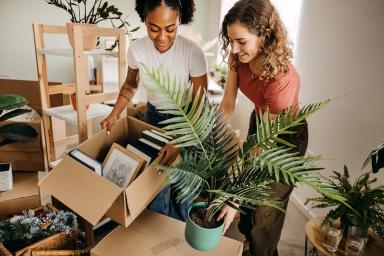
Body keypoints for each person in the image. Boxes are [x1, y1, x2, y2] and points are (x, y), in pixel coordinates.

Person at [100, 0, 208, 222]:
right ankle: (155, 237)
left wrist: (180, 141)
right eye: (153, 28)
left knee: (182, 190)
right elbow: (130, 85)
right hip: (154, 118)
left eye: (170, 28)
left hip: (188, 122)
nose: (162, 37)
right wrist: (115, 113)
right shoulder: (137, 49)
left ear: (179, 20)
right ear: (144, 20)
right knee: (154, 184)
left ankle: (177, 238)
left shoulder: (192, 52)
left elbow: (200, 104)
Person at [219, 0, 308, 255]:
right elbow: (227, 104)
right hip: (261, 122)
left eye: (241, 42)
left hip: (286, 137)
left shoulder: (281, 80)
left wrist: (233, 196)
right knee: (248, 206)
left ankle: (264, 251)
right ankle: (250, 242)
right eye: (231, 40)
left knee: (265, 208)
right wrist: (210, 135)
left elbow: (261, 148)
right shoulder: (238, 58)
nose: (234, 49)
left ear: (264, 36)